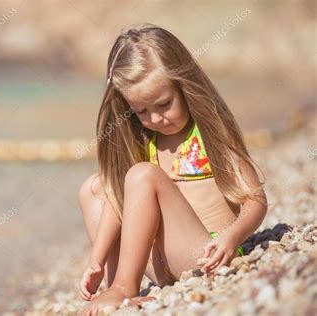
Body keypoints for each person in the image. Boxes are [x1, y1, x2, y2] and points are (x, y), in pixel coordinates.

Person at [77, 24, 268, 315]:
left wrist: (233, 238)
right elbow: (117, 206)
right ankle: (114, 285)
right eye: (141, 111)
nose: (155, 118)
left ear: (185, 87)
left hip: (206, 257)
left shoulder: (209, 136)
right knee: (95, 187)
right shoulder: (146, 142)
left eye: (164, 104)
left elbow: (256, 199)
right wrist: (96, 260)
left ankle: (124, 288)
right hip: (162, 266)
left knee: (143, 175)